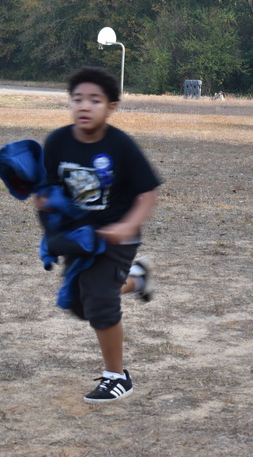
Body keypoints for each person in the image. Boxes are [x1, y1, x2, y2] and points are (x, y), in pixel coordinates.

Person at [35, 66, 161, 403]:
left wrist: (125, 227)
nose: (85, 106)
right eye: (77, 99)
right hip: (78, 236)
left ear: (111, 107)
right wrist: (42, 201)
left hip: (115, 236)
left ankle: (116, 377)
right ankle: (137, 279)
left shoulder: (121, 146)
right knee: (80, 304)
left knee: (100, 303)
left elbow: (147, 193)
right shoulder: (58, 141)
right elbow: (45, 190)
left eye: (95, 100)